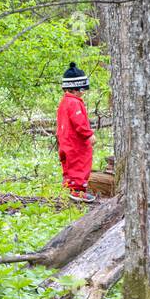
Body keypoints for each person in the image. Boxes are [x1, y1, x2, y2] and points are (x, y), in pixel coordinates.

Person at [57, 62, 95, 203]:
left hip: (66, 141)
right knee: (79, 164)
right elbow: (79, 122)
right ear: (75, 88)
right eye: (81, 89)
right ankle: (77, 191)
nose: (83, 92)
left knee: (70, 164)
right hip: (75, 142)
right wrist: (89, 134)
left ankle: (71, 187)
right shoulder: (74, 103)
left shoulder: (65, 102)